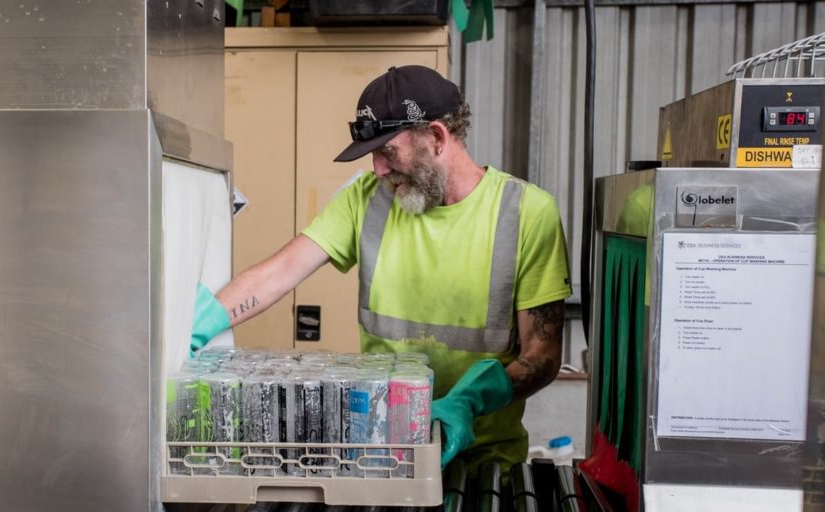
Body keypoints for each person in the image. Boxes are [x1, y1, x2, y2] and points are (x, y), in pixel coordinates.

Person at [190, 65, 571, 470]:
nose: (378, 169)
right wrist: (196, 325)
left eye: (388, 151)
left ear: (437, 137)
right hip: (383, 455)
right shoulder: (367, 199)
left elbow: (542, 353)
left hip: (485, 461)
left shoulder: (526, 212)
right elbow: (280, 271)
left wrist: (468, 401)